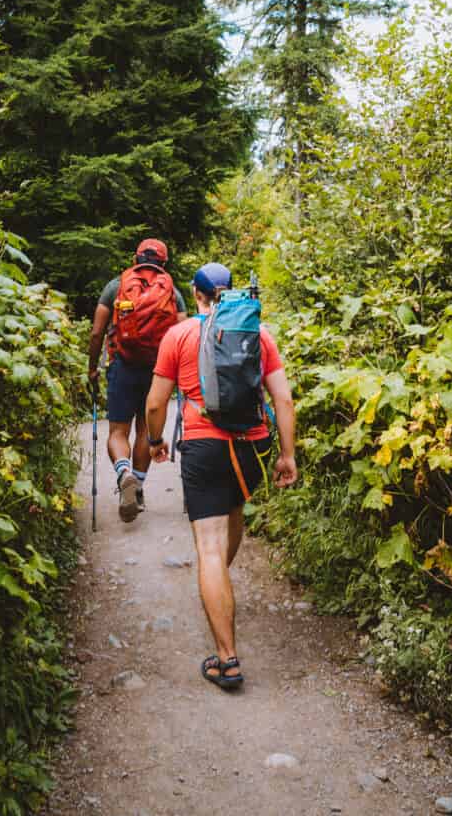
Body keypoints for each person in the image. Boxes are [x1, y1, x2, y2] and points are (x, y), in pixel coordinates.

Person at [144, 262, 297, 690]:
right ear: (230, 293)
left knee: (208, 549)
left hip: (204, 445)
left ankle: (227, 660)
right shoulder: (259, 333)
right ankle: (219, 590)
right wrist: (287, 455)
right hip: (252, 446)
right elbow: (283, 401)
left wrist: (155, 440)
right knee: (235, 513)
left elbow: (156, 403)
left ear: (196, 295)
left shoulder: (178, 335)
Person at [87, 238, 187, 521]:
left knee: (118, 432)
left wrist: (92, 369)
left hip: (122, 365)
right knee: (146, 432)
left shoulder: (116, 286)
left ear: (136, 258)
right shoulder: (172, 293)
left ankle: (124, 473)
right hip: (158, 371)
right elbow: (182, 336)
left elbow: (97, 332)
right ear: (164, 263)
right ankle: (138, 488)